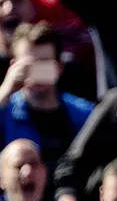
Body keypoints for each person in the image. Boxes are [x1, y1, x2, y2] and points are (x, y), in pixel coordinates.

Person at [0, 21, 95, 166]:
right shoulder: (5, 112)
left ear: (60, 67)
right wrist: (6, 89)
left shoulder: (86, 114)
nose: (37, 73)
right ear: (14, 67)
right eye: (29, 65)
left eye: (44, 64)